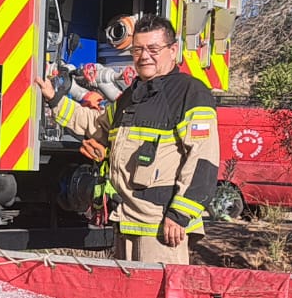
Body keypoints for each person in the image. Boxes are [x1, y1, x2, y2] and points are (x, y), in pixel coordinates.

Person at [33, 14, 219, 264]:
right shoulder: (132, 96)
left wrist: (180, 214)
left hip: (163, 226)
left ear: (172, 50)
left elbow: (203, 160)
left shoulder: (190, 93)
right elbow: (97, 126)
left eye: (153, 49)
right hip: (127, 220)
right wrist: (55, 99)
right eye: (138, 49)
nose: (144, 56)